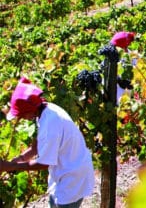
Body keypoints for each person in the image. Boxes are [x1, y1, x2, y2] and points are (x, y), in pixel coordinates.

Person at [1, 78, 95, 208]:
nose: (20, 118)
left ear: (30, 111)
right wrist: (16, 160)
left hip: (72, 176)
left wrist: (12, 166)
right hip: (65, 171)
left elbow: (44, 163)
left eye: (21, 115)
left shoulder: (50, 123)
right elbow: (35, 148)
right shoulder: (45, 110)